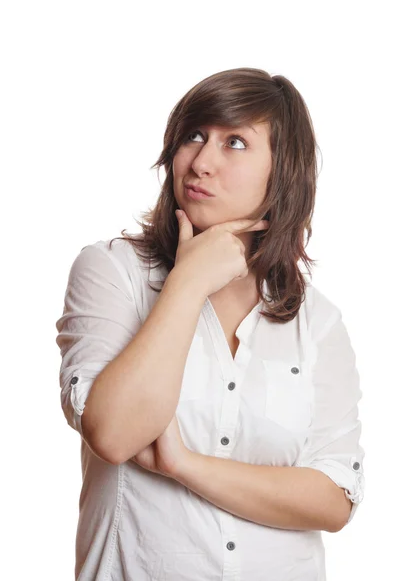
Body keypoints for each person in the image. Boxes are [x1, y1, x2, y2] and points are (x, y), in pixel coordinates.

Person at [55, 67, 365, 581]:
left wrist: (184, 465)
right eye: (194, 136)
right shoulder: (113, 273)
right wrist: (188, 282)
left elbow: (333, 499)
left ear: (282, 172)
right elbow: (112, 432)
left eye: (235, 142)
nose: (201, 162)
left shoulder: (318, 322)